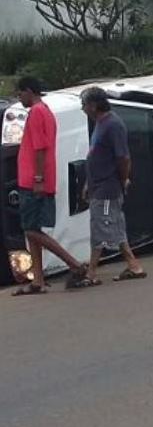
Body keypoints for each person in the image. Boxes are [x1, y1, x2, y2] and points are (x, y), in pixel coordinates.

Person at [12, 76, 87, 295]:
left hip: (33, 181)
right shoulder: (46, 111)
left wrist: (37, 178)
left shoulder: (36, 113)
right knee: (33, 230)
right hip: (39, 179)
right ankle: (38, 279)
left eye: (20, 93)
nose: (19, 97)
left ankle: (74, 264)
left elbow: (40, 148)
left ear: (29, 91)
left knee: (31, 230)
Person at [81, 86, 146, 284]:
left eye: (84, 105)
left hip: (108, 186)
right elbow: (95, 156)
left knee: (102, 226)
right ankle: (133, 265)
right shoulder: (101, 125)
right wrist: (87, 183)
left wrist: (123, 178)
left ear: (93, 106)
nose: (83, 109)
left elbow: (123, 157)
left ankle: (91, 272)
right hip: (98, 185)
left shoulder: (113, 125)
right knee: (112, 223)